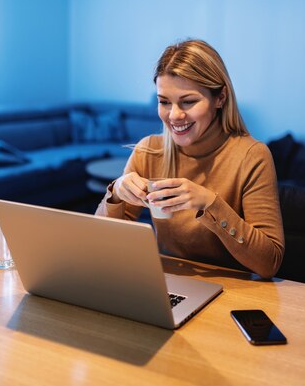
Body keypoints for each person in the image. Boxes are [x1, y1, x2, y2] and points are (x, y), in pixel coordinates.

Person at [95, 39, 284, 278]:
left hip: (234, 290)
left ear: (220, 98)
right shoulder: (148, 151)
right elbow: (102, 247)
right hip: (165, 285)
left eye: (189, 101)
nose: (174, 115)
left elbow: (269, 263)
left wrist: (210, 204)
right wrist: (117, 193)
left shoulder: (252, 156)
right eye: (164, 102)